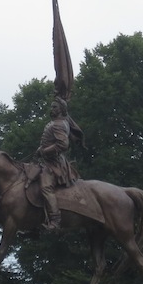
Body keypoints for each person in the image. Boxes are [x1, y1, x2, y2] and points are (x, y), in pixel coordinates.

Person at [34, 96, 82, 231]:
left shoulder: (59, 124)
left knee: (45, 188)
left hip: (54, 164)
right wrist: (41, 150)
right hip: (47, 161)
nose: (52, 109)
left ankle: (55, 220)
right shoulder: (55, 122)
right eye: (52, 106)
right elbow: (49, 142)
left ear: (61, 109)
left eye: (54, 107)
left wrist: (45, 151)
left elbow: (63, 144)